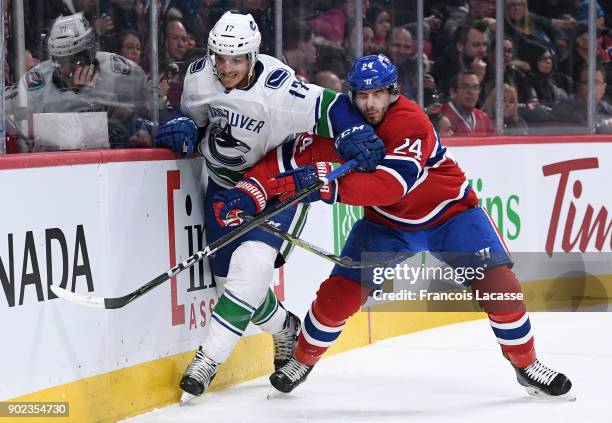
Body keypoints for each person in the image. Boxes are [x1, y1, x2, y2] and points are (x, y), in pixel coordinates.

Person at [214, 54, 574, 400]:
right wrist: (251, 191)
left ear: (393, 93)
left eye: (378, 94)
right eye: (362, 95)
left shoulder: (410, 121)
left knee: (500, 287)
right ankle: (302, 359)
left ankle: (527, 365)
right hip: (386, 226)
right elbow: (285, 158)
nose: (370, 104)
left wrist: (324, 184)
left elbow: (390, 186)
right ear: (352, 96)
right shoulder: (339, 126)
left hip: (450, 215)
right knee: (338, 295)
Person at [154, 11, 385, 401]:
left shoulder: (280, 90)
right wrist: (183, 126)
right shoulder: (198, 75)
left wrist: (353, 130)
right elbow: (194, 118)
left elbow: (332, 106)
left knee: (255, 266)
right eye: (219, 57)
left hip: (276, 189)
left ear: (253, 55)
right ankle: (284, 328)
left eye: (236, 59)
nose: (225, 67)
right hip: (223, 188)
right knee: (235, 286)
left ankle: (207, 361)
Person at [5, 12, 151, 150]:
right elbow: (10, 119)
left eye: (76, 59)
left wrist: (144, 130)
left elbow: (149, 118)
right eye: (61, 60)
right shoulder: (35, 85)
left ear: (91, 52)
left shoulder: (120, 74)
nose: (68, 68)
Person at [439, 70, 495, 136]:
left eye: (475, 88)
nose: (471, 92)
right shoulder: (440, 115)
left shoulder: (483, 118)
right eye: (464, 87)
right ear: (453, 92)